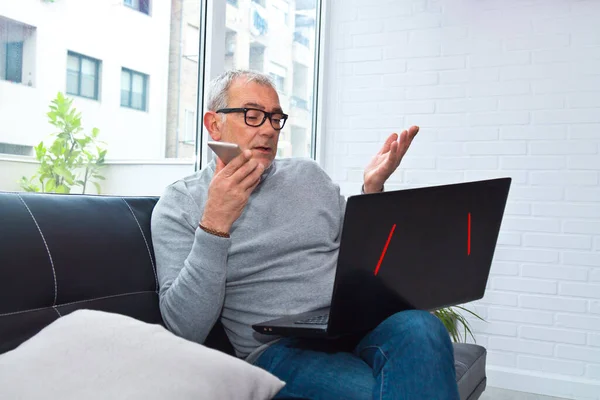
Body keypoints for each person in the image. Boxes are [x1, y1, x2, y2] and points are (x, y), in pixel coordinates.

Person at [151, 69, 460, 399]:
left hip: (354, 324)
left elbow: (365, 253)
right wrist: (215, 224)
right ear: (214, 124)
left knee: (423, 327)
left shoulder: (308, 175)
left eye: (275, 118)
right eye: (253, 116)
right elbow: (185, 329)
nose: (269, 129)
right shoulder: (181, 204)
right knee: (377, 392)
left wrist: (372, 190)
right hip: (278, 348)